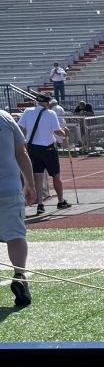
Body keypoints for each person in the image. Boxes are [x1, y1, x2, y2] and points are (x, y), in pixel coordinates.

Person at [0, 108, 37, 306]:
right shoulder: (4, 117)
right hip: (8, 187)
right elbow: (21, 151)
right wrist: (29, 183)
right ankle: (19, 275)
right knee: (15, 235)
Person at [17, 96, 71, 214]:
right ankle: (61, 201)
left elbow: (19, 128)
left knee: (38, 177)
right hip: (48, 148)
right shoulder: (50, 113)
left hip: (33, 148)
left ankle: (40, 204)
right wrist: (65, 133)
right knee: (56, 176)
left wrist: (23, 142)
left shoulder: (27, 111)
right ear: (47, 103)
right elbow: (57, 131)